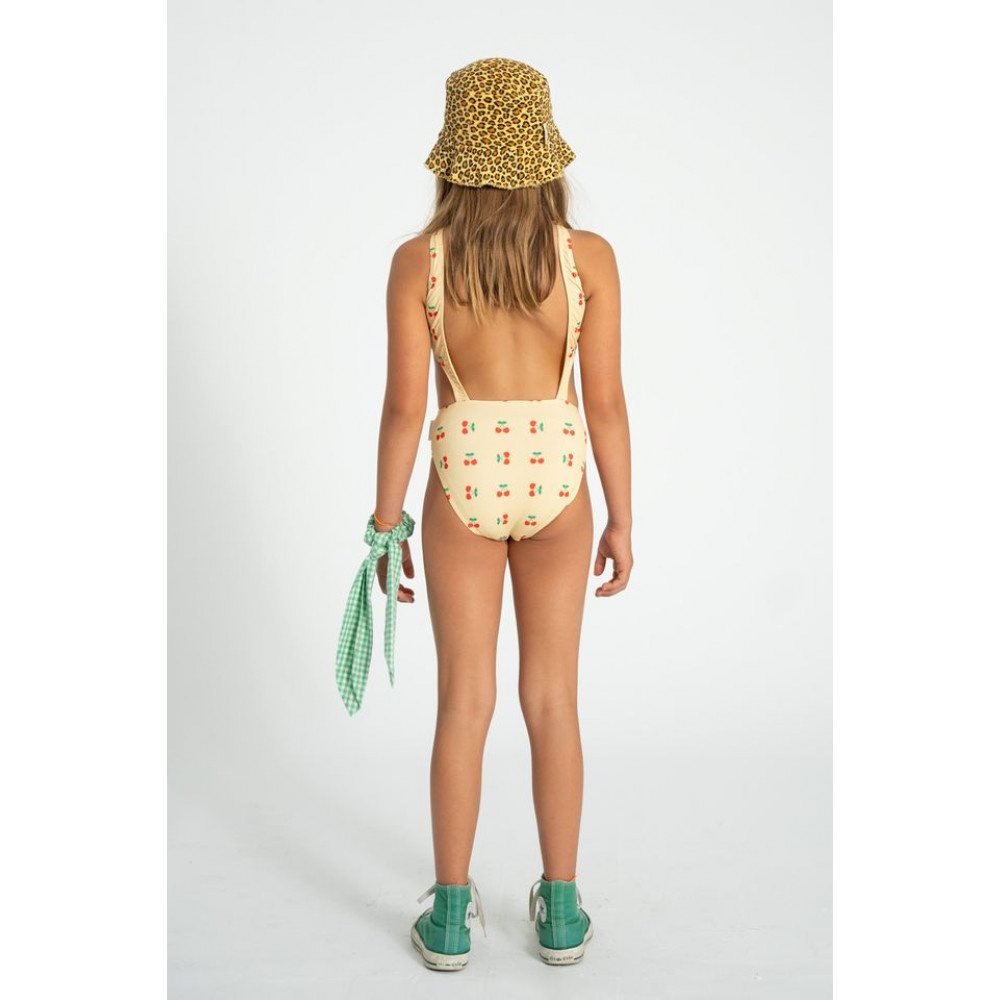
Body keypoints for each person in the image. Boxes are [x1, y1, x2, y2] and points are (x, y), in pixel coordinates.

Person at [350, 56, 633, 970]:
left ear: (453, 154)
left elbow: (405, 407)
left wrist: (385, 525)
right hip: (559, 481)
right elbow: (606, 404)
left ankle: (448, 917)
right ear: (545, 150)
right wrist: (621, 518)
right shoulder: (587, 260)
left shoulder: (419, 262)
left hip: (462, 479)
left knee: (464, 701)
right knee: (552, 698)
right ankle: (561, 910)